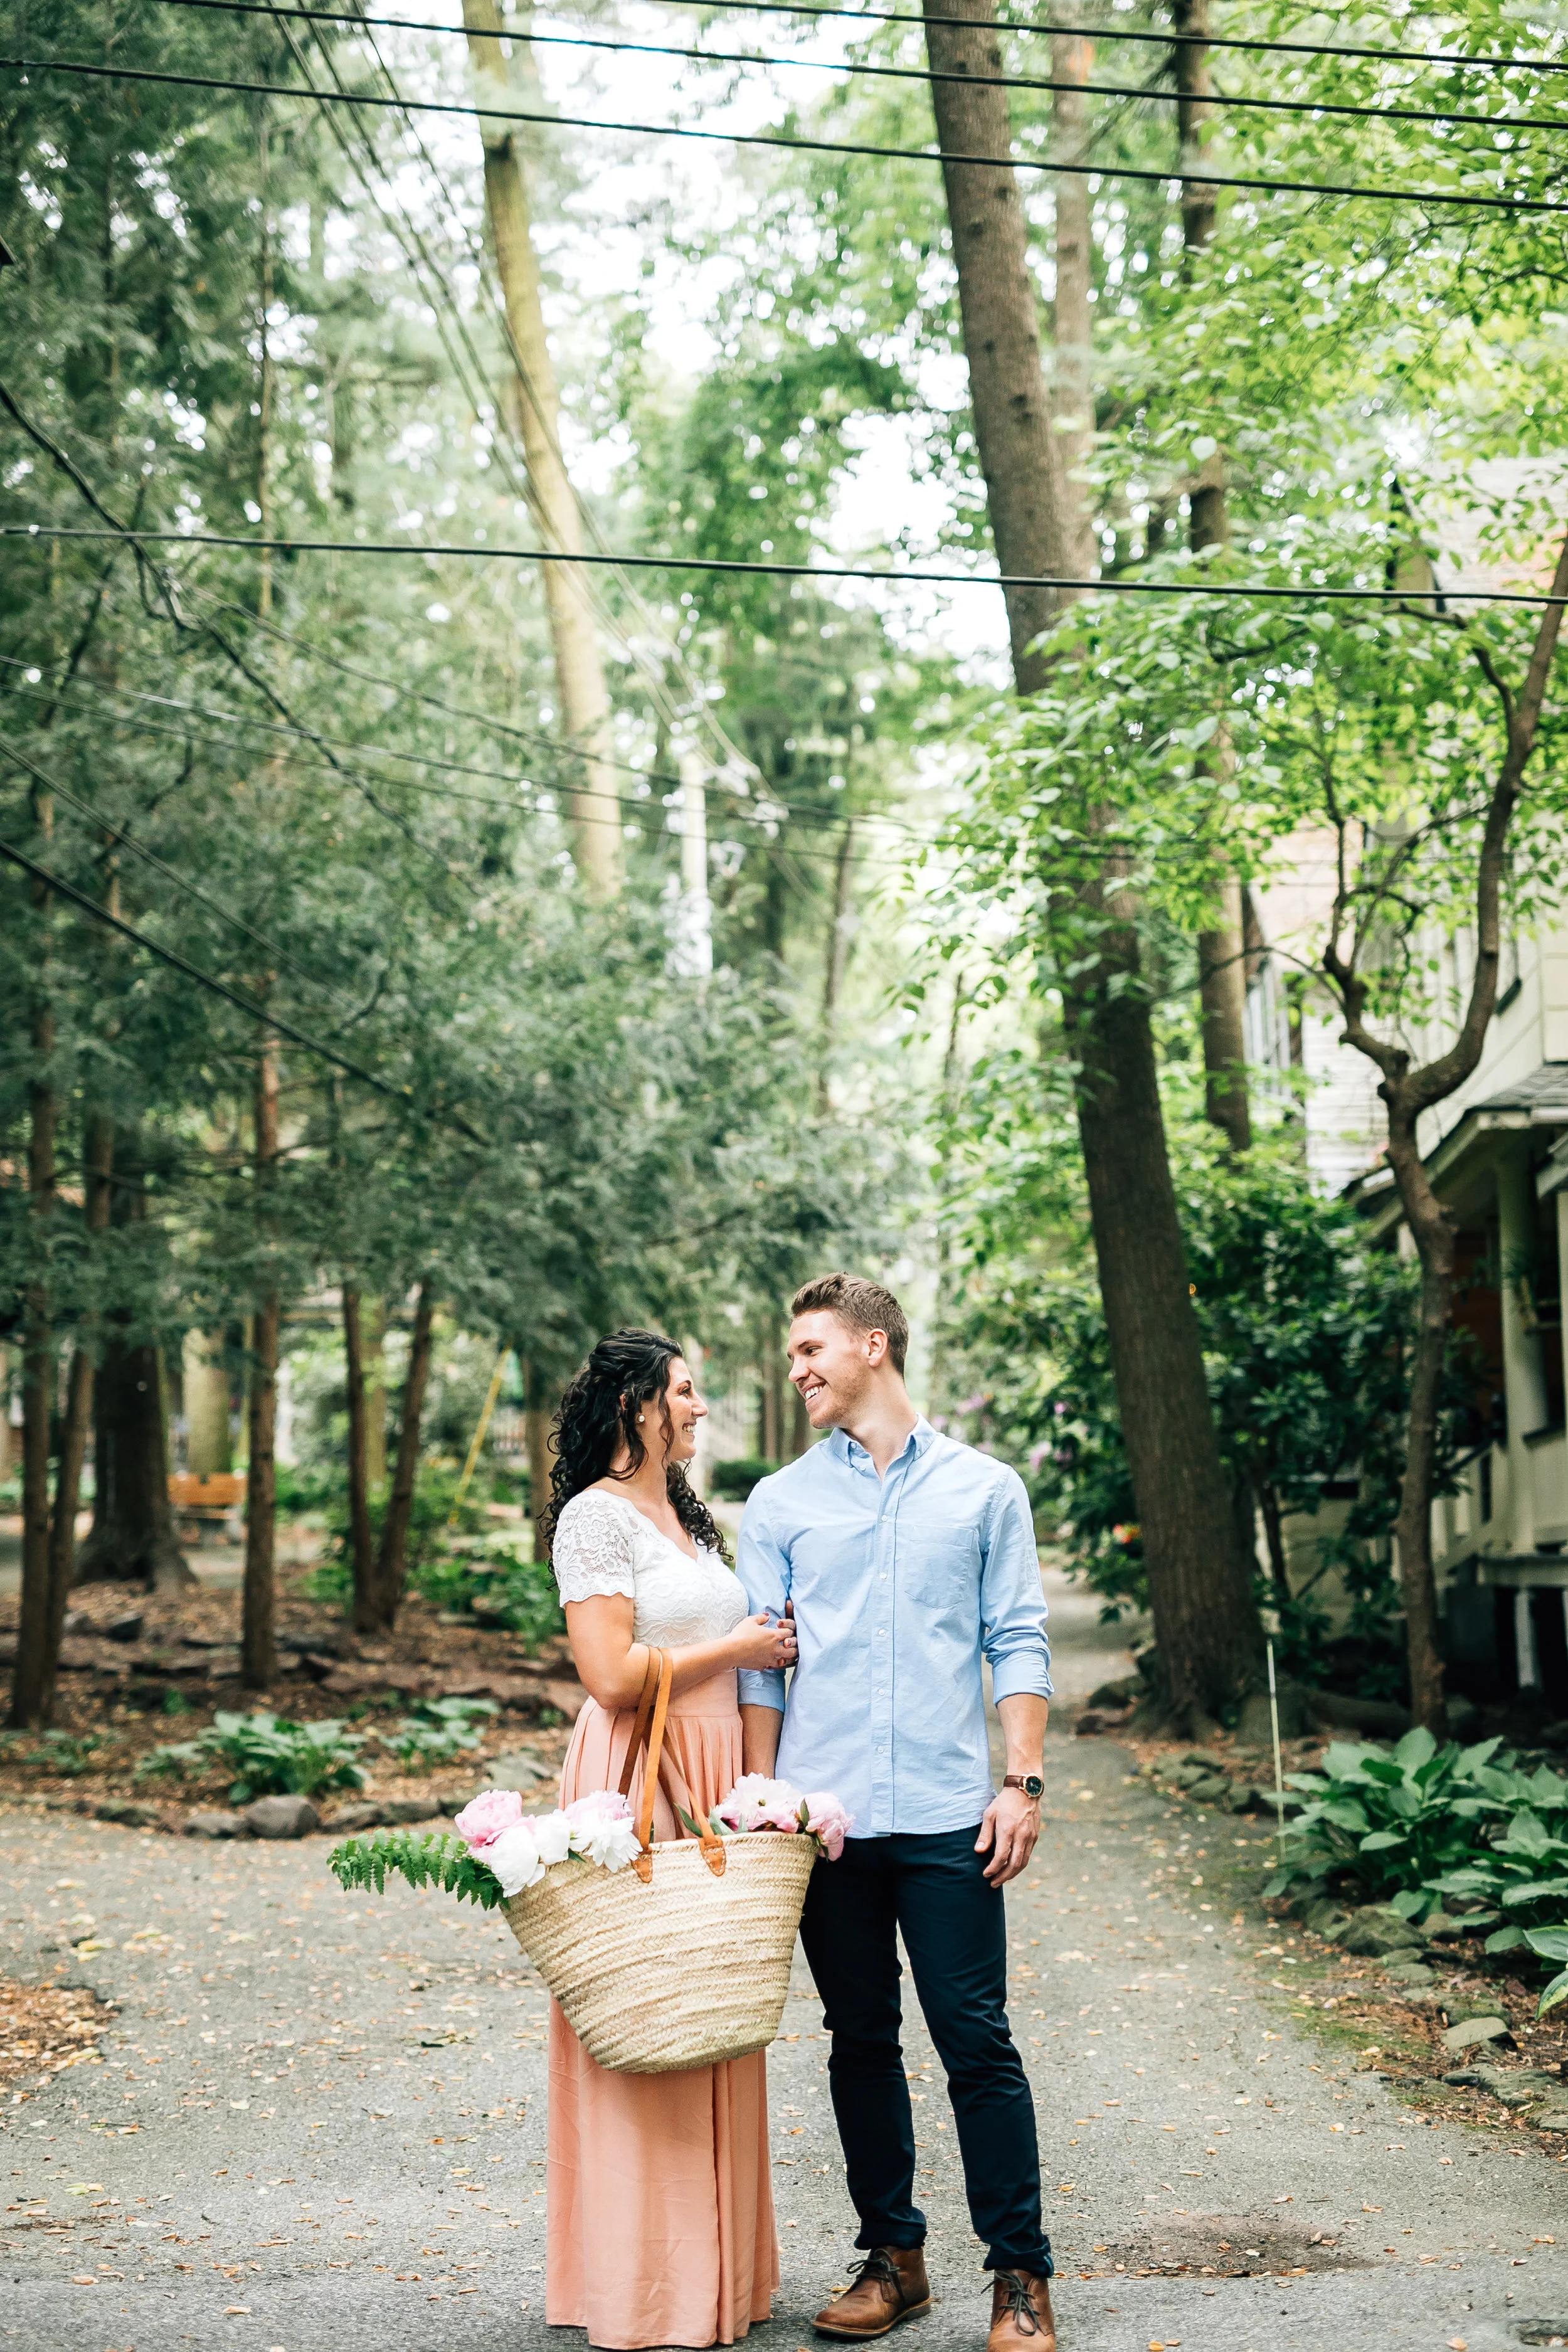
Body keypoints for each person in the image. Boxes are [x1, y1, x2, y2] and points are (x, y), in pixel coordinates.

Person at [737, 1273, 1056, 2352]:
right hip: (823, 1824)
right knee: (859, 2038)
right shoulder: (780, 1502)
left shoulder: (984, 1488)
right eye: (794, 1353)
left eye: (814, 1348)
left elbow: (1018, 1637)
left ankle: (1020, 2277)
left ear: (875, 1345)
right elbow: (762, 1675)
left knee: (977, 2041)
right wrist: (759, 1806)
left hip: (944, 1816)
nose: (799, 1369)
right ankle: (895, 2257)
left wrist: (1022, 1781)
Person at [542, 1328, 799, 2351]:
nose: (699, 1405)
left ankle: (716, 2280)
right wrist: (737, 1645)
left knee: (715, 1999)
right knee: (649, 2003)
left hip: (710, 1767)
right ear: (639, 1405)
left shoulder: (683, 1514)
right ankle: (644, 2287)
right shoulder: (592, 1521)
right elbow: (607, 1674)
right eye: (685, 1392)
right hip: (641, 1769)